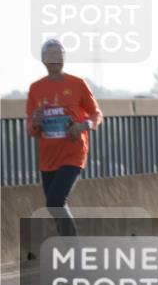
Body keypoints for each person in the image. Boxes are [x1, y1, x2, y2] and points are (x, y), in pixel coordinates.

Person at [26, 39, 103, 237]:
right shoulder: (36, 89)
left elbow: (96, 114)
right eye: (51, 54)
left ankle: (76, 255)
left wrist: (83, 125)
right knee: (54, 207)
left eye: (59, 54)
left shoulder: (77, 84)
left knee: (55, 202)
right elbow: (31, 129)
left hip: (73, 152)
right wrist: (36, 122)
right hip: (48, 158)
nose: (56, 58)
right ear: (43, 60)